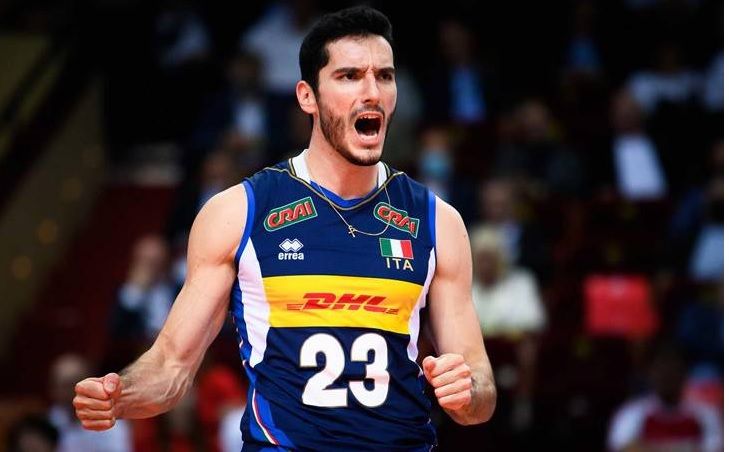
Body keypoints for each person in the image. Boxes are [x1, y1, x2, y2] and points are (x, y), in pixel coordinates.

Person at [73, 6, 496, 450]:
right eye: (350, 76)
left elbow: (479, 388)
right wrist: (120, 394)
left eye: (384, 77)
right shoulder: (240, 212)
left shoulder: (437, 220)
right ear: (307, 96)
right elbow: (171, 368)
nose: (372, 92)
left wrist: (468, 391)